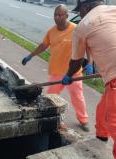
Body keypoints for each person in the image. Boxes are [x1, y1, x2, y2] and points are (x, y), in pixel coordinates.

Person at [61, 0, 116, 159]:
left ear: (84, 7)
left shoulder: (83, 26)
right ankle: (100, 139)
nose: (80, 15)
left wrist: (69, 75)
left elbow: (76, 61)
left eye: (79, 12)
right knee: (102, 109)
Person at [21, 4, 90, 132]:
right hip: (57, 71)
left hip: (74, 73)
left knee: (77, 97)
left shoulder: (76, 29)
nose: (57, 17)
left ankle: (83, 120)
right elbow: (43, 45)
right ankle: (52, 118)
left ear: (67, 16)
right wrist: (30, 55)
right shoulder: (51, 31)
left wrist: (90, 63)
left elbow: (87, 45)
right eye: (55, 15)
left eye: (60, 15)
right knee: (51, 98)